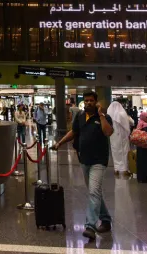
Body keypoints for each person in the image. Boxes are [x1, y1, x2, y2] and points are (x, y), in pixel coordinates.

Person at [53, 91, 113, 240]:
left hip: (99, 161)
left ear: (96, 102)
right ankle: (105, 220)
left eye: (91, 101)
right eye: (86, 101)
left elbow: (108, 132)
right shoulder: (80, 116)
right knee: (95, 191)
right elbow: (74, 132)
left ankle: (90, 227)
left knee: (93, 192)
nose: (88, 103)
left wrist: (101, 115)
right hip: (84, 160)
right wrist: (60, 143)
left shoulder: (104, 117)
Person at [107, 101, 132, 178]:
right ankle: (124, 169)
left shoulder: (109, 115)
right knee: (124, 152)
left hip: (113, 136)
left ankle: (116, 169)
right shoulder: (122, 114)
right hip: (123, 136)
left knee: (115, 152)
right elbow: (131, 122)